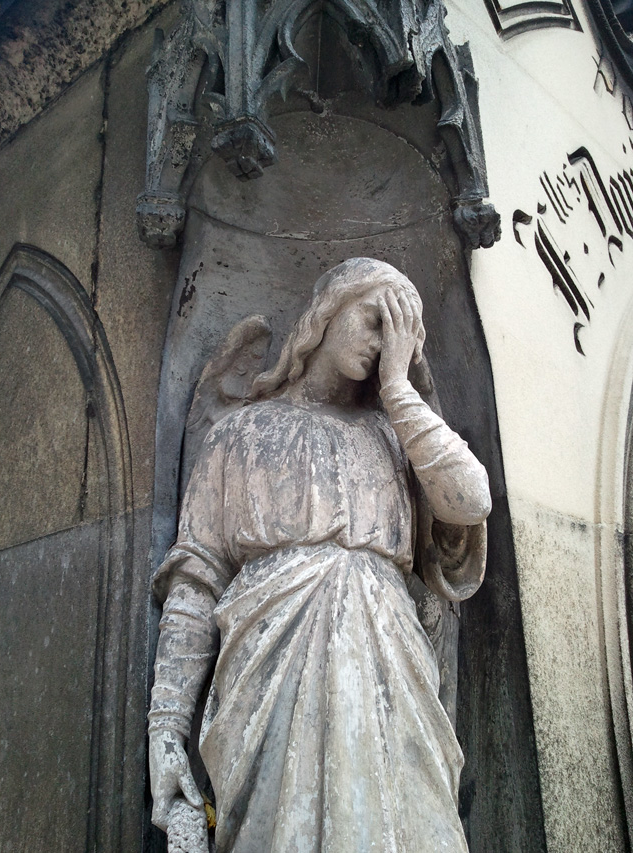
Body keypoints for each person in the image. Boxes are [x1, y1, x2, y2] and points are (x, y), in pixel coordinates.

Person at [148, 257, 491, 853]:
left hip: (389, 679)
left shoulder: (396, 438)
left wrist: (399, 391)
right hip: (270, 679)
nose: (384, 343)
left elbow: (469, 499)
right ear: (326, 313)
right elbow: (194, 588)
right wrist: (167, 729)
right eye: (374, 319)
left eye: (400, 335)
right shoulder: (242, 434)